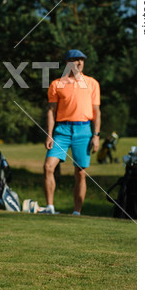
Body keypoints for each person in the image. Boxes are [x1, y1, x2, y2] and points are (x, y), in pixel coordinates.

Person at [42, 49, 101, 215]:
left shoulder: (92, 83)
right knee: (48, 167)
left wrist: (96, 135)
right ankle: (50, 207)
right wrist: (49, 133)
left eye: (81, 59)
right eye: (75, 60)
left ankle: (77, 212)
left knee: (81, 173)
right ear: (68, 62)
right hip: (62, 130)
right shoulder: (56, 84)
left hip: (84, 130)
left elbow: (97, 112)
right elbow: (51, 111)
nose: (79, 62)